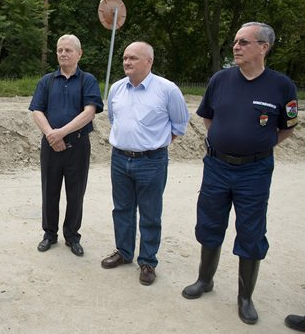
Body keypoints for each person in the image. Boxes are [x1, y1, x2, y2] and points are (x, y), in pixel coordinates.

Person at [181, 22, 298, 325]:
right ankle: (205, 280)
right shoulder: (220, 80)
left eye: (244, 42)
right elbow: (208, 118)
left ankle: (244, 297)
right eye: (235, 41)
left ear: (263, 47)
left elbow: (287, 127)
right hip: (217, 167)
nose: (236, 46)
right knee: (209, 223)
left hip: (255, 171)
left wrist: (258, 145)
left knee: (251, 232)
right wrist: (225, 142)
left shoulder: (281, 85)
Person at [101, 41, 189, 286]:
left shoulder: (167, 90)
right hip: (119, 158)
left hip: (151, 161)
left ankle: (148, 261)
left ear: (149, 62)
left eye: (133, 58)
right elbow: (113, 119)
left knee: (150, 212)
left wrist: (153, 145)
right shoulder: (117, 88)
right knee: (122, 209)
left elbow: (179, 125)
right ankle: (124, 252)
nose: (127, 62)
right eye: (125, 58)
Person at [29, 34, 104, 257]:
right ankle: (49, 234)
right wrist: (51, 134)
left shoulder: (87, 80)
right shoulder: (47, 81)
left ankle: (72, 236)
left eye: (68, 50)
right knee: (49, 190)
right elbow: (37, 110)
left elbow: (89, 112)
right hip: (50, 145)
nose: (63, 53)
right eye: (60, 50)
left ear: (79, 54)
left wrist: (61, 132)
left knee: (75, 192)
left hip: (78, 146)